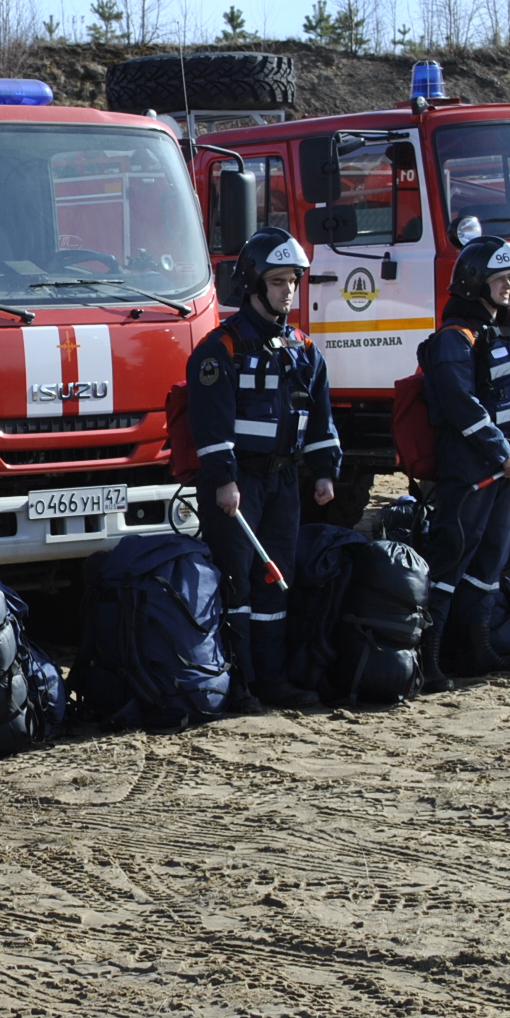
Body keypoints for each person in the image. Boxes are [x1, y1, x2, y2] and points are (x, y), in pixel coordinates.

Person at [187, 227, 340, 712]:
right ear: (253, 284)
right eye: (277, 282)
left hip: (283, 483)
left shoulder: (305, 349)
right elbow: (210, 426)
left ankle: (272, 681)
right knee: (237, 580)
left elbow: (321, 419)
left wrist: (323, 471)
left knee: (276, 579)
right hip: (239, 485)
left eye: (293, 281)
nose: (288, 291)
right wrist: (225, 480)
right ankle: (238, 685)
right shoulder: (221, 350)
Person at [415, 237, 510, 691]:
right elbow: (459, 403)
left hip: (509, 465)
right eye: (503, 278)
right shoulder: (455, 338)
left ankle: (476, 648)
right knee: (452, 555)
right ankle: (430, 659)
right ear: (475, 283)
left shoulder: (505, 332)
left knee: (491, 559)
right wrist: (501, 452)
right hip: (472, 468)